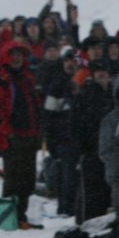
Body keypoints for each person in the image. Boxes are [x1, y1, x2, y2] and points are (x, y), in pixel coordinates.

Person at [0, 42, 43, 229]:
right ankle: (7, 220)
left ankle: (20, 217)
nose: (16, 58)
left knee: (27, 181)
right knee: (13, 181)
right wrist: (7, 132)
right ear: (5, 57)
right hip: (13, 138)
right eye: (13, 55)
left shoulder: (27, 79)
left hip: (29, 136)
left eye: (19, 55)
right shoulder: (0, 81)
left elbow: (35, 108)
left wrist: (38, 132)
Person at [72, 61, 117, 223]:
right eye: (98, 71)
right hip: (91, 151)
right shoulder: (85, 94)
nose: (101, 74)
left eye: (104, 70)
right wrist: (82, 147)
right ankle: (87, 227)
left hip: (112, 152)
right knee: (91, 195)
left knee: (108, 193)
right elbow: (75, 123)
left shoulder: (115, 94)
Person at [40, 48, 80, 217]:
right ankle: (65, 208)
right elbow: (48, 115)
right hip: (63, 138)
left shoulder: (80, 84)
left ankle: (71, 207)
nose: (70, 64)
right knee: (66, 175)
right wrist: (50, 141)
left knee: (74, 176)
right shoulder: (57, 85)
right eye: (67, 61)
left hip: (78, 138)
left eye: (73, 61)